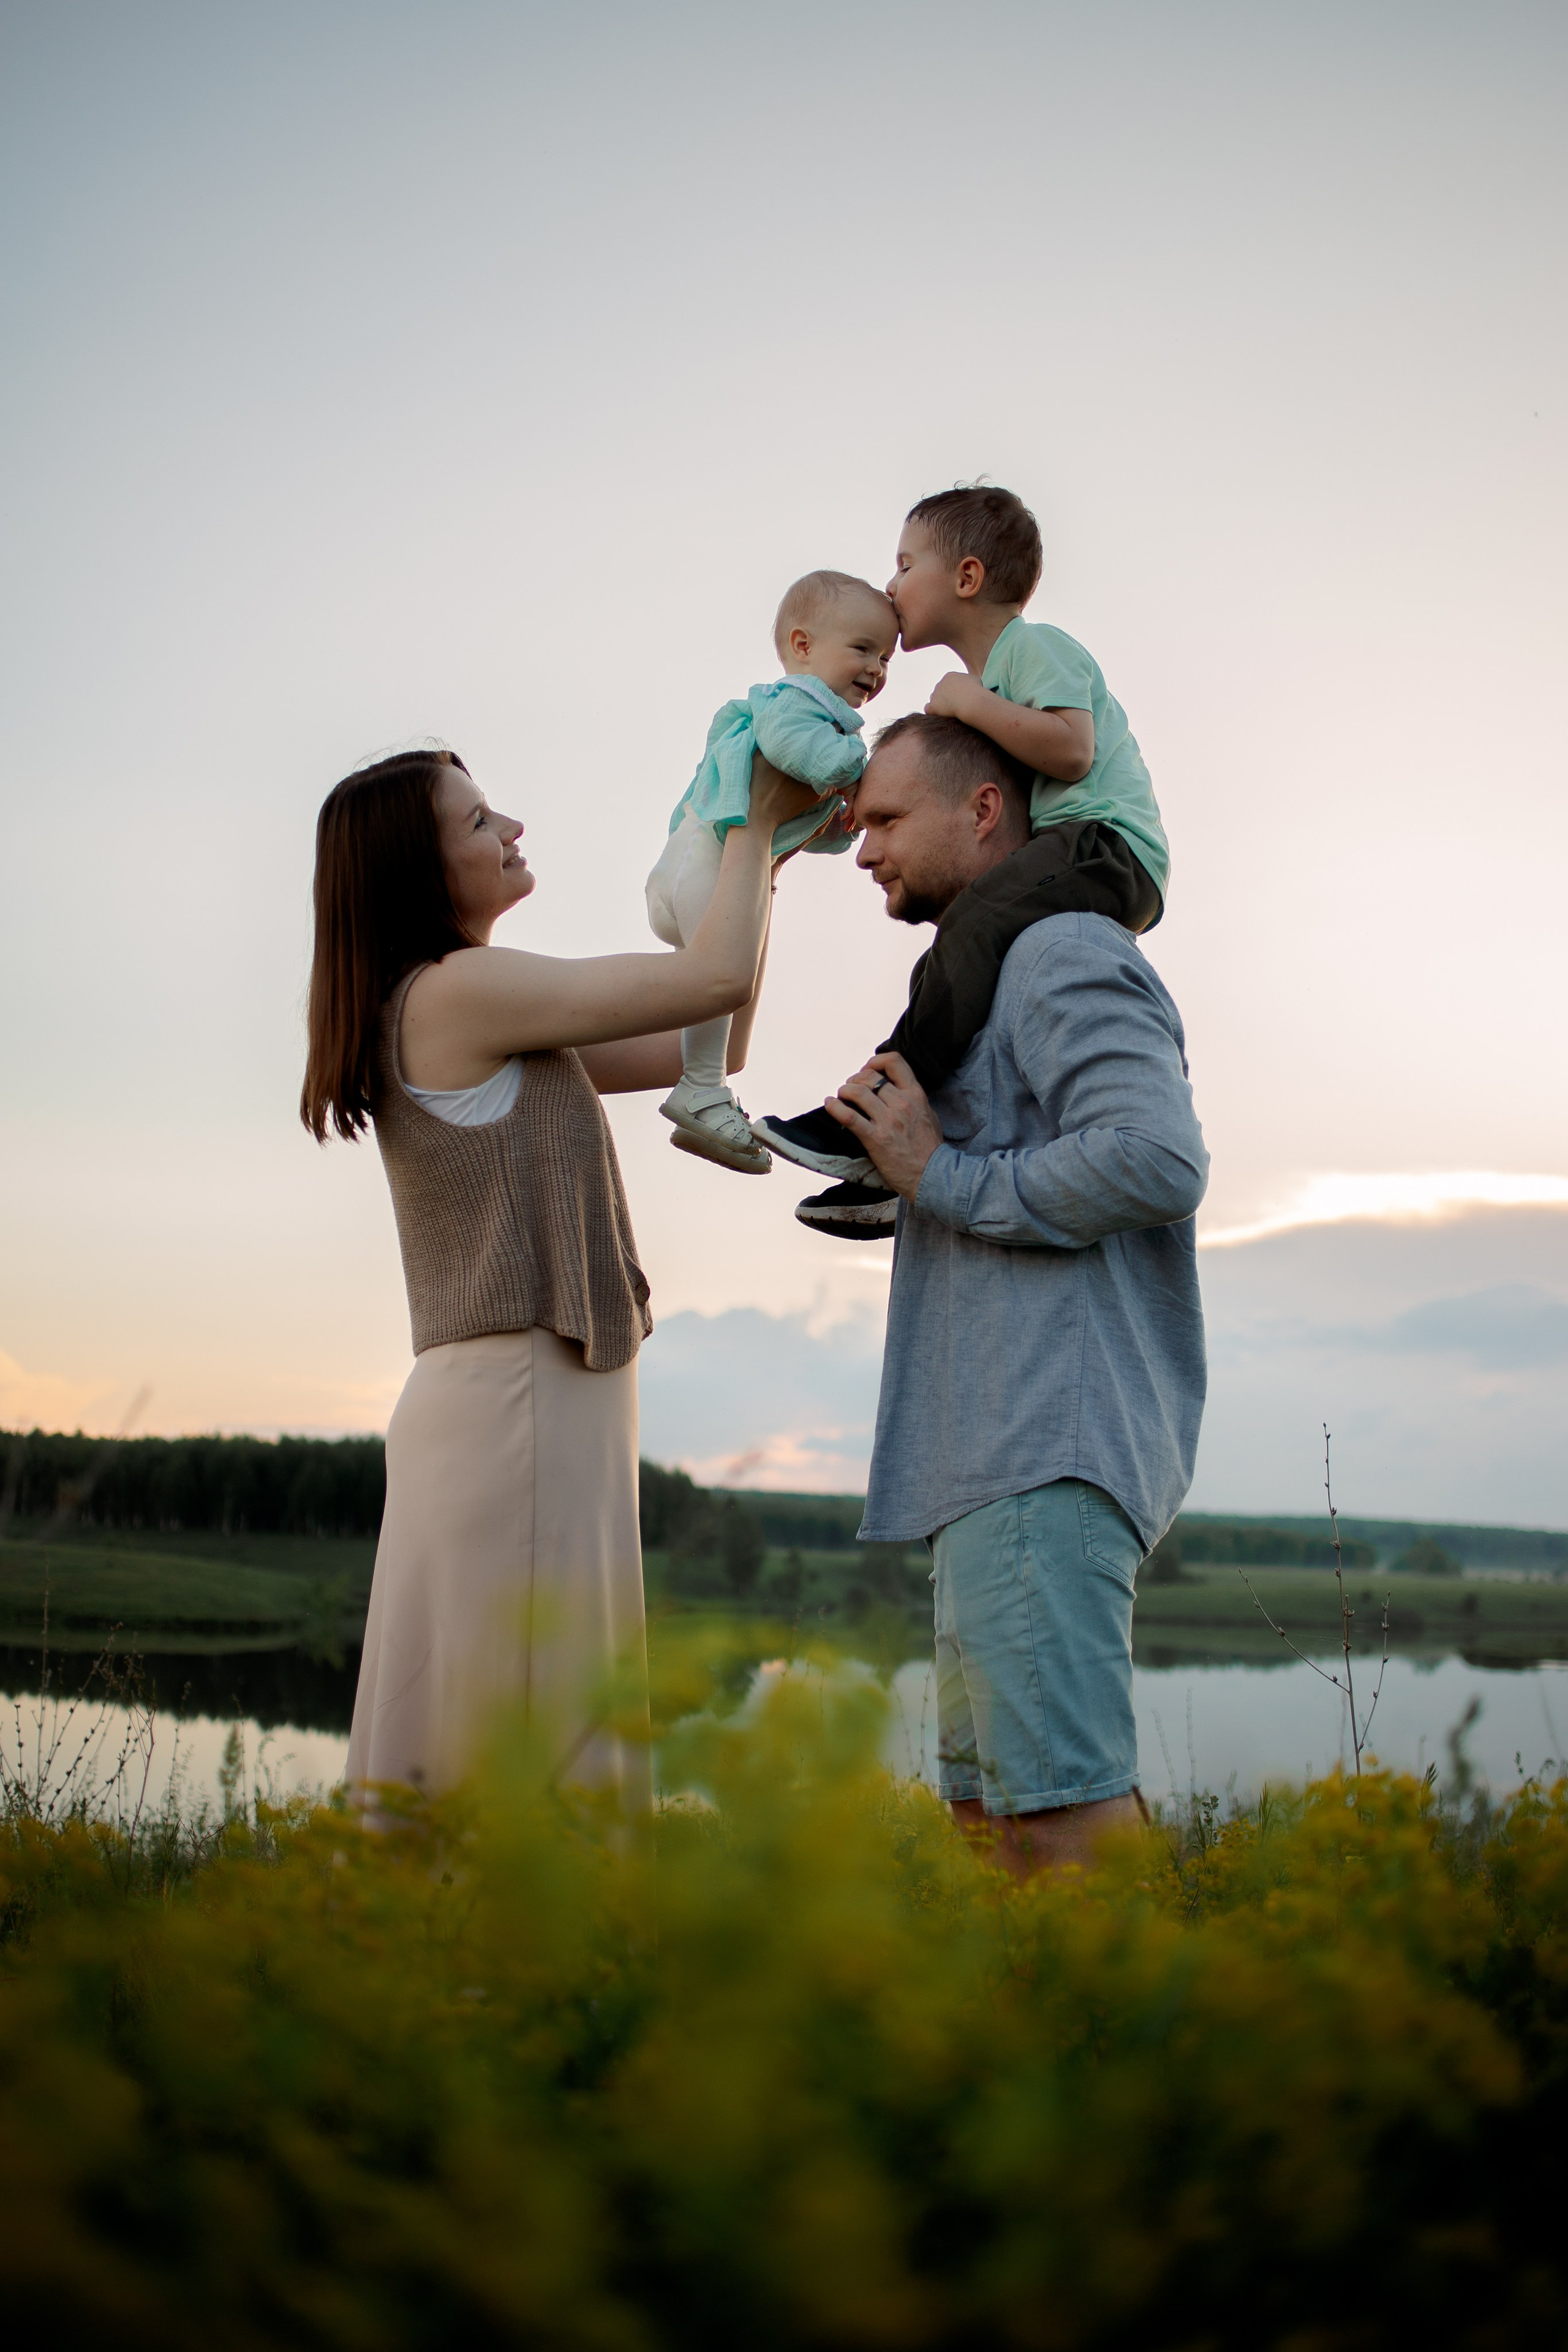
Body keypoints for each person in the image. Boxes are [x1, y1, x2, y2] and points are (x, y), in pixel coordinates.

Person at [300, 743, 814, 1811]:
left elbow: (710, 1044)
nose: (513, 830)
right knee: (531, 1734)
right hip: (518, 1396)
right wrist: (752, 822)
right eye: (480, 821)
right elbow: (712, 981)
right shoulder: (462, 991)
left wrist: (759, 865)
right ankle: (532, 1973)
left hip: (520, 1396)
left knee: (495, 1723)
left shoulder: (487, 1011)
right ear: (419, 867)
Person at [825, 714, 1207, 1874]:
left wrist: (938, 1173)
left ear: (984, 809)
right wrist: (903, 1170)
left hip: (1046, 1448)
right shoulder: (986, 976)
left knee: (1060, 1824)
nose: (863, 848)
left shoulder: (1059, 950)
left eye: (887, 818)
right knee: (993, 1828)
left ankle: (1129, 2053)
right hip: (992, 1465)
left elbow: (1156, 1156)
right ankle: (1034, 2054)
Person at [752, 485, 1170, 1242]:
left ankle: (862, 1113)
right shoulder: (995, 678)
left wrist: (967, 703)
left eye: (906, 564)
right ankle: (887, 1158)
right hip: (1073, 849)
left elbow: (1072, 752)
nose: (890, 585)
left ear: (967, 579)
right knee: (949, 961)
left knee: (972, 925)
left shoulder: (1031, 649)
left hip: (1107, 847)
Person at [646, 570, 898, 1172]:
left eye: (887, 657)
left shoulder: (819, 724)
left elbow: (802, 822)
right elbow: (795, 750)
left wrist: (841, 824)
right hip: (704, 861)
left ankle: (703, 1094)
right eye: (862, 648)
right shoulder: (793, 702)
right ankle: (700, 1090)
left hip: (716, 868)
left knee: (723, 999)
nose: (877, 669)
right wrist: (864, 772)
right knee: (719, 982)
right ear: (803, 646)